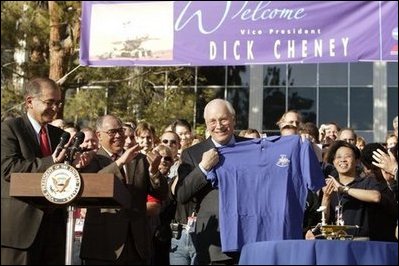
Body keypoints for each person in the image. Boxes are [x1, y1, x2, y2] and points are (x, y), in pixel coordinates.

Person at [1, 77, 78, 264]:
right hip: (20, 230)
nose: (55, 108)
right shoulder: (10, 128)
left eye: (58, 103)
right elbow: (10, 169)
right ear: (29, 102)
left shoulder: (60, 135)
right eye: (49, 102)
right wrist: (51, 161)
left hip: (54, 230)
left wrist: (77, 165)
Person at [79, 115, 168, 265]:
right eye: (112, 132)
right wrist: (119, 162)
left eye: (120, 131)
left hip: (136, 244)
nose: (119, 135)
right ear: (99, 135)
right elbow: (93, 186)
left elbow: (161, 194)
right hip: (103, 245)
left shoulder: (139, 159)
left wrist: (154, 172)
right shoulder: (91, 159)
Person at [175, 99, 249, 264]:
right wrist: (203, 167)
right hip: (213, 244)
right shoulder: (192, 154)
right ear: (207, 124)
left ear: (234, 120)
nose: (219, 125)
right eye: (212, 121)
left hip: (248, 238)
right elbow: (182, 194)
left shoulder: (251, 147)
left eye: (223, 119)